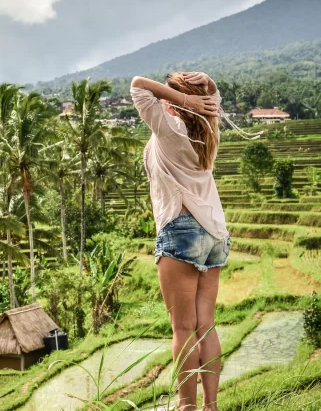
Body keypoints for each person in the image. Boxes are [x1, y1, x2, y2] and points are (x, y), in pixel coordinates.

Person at [131, 71, 229, 411]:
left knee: (183, 328)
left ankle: (187, 407)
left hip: (182, 229)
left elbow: (138, 84)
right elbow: (214, 100)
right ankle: (210, 406)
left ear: (175, 102)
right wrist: (207, 84)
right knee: (205, 325)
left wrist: (183, 98)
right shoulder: (208, 128)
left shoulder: (169, 130)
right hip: (214, 233)